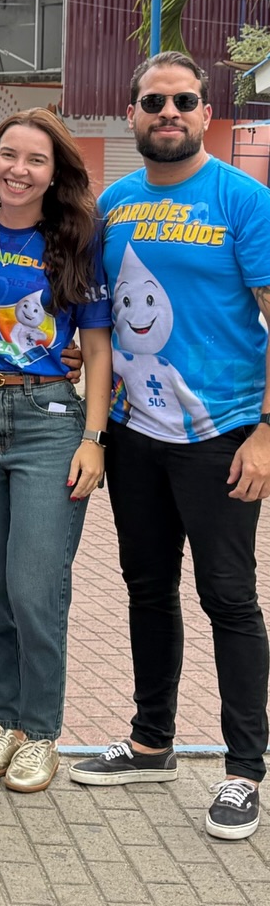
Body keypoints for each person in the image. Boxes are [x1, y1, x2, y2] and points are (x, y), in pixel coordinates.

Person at [68, 54, 270, 841]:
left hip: (221, 433)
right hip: (134, 433)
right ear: (131, 114)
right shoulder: (114, 205)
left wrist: (266, 432)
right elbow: (101, 316)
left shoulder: (243, 199)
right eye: (154, 101)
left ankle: (244, 770)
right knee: (147, 589)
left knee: (229, 597)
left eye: (184, 100)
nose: (169, 112)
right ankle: (152, 740)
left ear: (207, 112)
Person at [0, 109, 112, 794]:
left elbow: (96, 347)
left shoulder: (75, 238)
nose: (18, 169)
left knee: (34, 588)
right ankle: (8, 724)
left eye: (35, 160)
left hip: (49, 421)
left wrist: (94, 439)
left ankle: (42, 732)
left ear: (54, 173)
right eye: (7, 154)